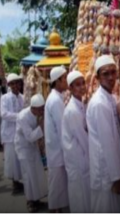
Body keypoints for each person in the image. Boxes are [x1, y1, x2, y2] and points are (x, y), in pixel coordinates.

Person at [86, 55, 120, 213]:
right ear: (97, 77)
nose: (111, 77)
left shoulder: (109, 97)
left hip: (111, 169)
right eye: (105, 74)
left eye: (113, 72)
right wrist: (117, 179)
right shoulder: (99, 104)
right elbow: (108, 144)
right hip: (108, 174)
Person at [62, 71, 90, 213]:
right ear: (71, 89)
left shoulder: (81, 105)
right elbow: (83, 138)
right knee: (80, 199)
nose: (82, 87)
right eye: (77, 85)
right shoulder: (72, 110)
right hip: (78, 160)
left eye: (83, 83)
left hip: (81, 159)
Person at [15, 94, 48, 213]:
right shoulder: (23, 117)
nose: (42, 111)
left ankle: (36, 198)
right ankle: (30, 201)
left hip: (33, 147)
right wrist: (41, 126)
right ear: (33, 108)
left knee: (37, 173)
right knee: (28, 175)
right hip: (23, 147)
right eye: (40, 109)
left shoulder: (38, 114)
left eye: (42, 109)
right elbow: (29, 137)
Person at [44, 66, 69, 212]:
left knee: (58, 185)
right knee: (56, 186)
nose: (66, 81)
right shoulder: (55, 101)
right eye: (65, 78)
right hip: (57, 152)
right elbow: (62, 129)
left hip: (56, 150)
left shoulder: (56, 97)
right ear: (58, 81)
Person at [0, 73, 24, 195]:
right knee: (12, 159)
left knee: (20, 158)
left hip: (20, 132)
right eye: (13, 83)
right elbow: (4, 114)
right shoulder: (4, 98)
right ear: (9, 85)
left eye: (17, 83)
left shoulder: (22, 97)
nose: (16, 85)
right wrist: (19, 116)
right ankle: (15, 183)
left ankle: (18, 181)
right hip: (9, 133)